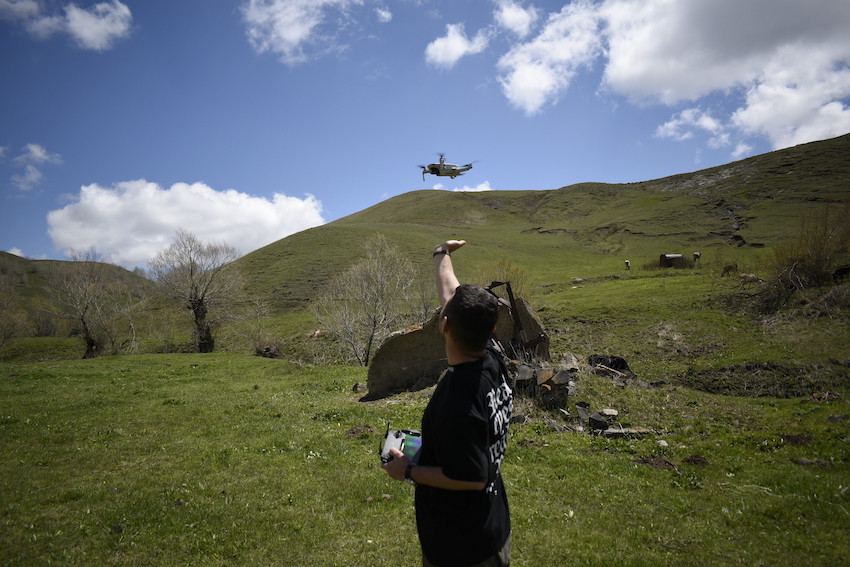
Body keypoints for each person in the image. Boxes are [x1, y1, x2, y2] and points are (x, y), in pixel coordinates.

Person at [383, 239, 513, 567]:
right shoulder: (492, 356)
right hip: (490, 525)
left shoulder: (458, 402)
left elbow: (472, 477)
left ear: (444, 325)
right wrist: (441, 254)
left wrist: (408, 470)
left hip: (463, 547)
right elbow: (452, 297)